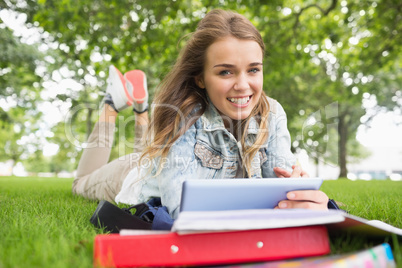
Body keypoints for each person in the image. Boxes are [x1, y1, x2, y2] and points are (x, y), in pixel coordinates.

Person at [72, 9, 331, 220]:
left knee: (149, 149)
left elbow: (283, 188)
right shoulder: (183, 113)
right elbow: (181, 208)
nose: (243, 85)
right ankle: (111, 102)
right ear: (200, 78)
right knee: (80, 183)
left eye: (253, 70)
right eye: (225, 72)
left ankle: (140, 106)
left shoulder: (272, 112)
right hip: (135, 174)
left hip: (156, 155)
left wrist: (299, 195)